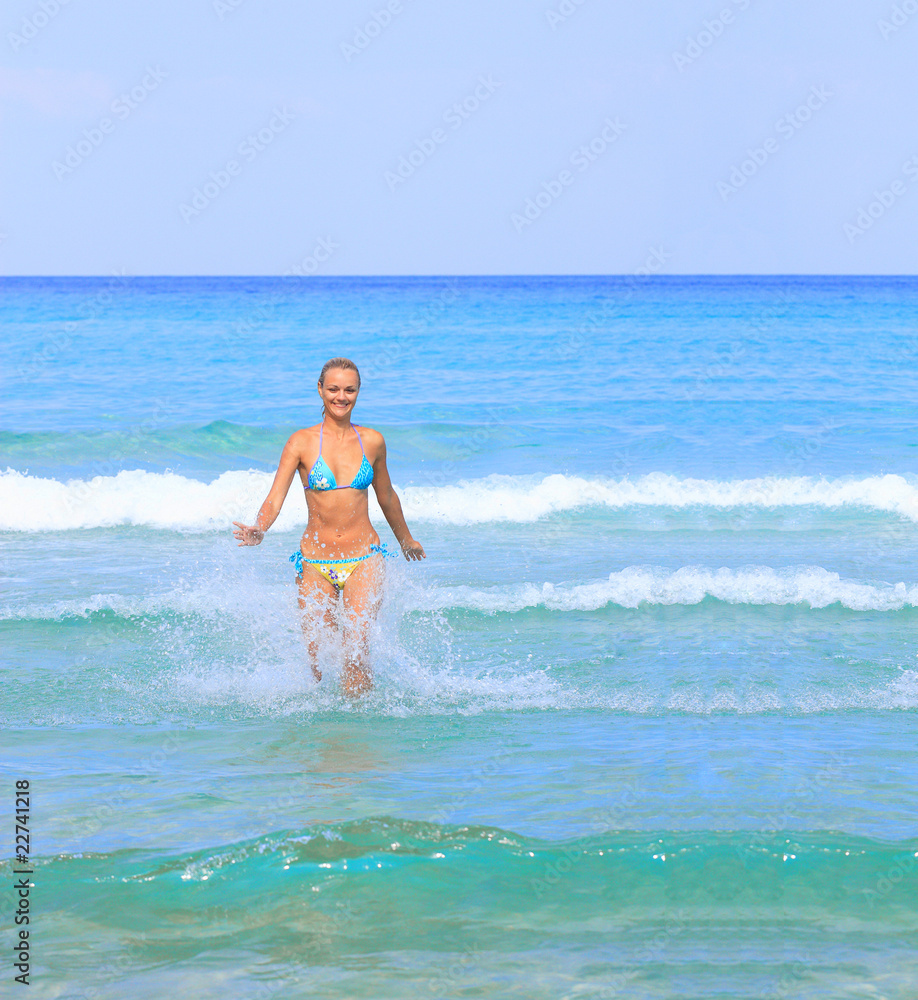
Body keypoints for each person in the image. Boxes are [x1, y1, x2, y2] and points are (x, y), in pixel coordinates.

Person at [232, 357, 425, 696]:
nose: (341, 396)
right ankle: (327, 732)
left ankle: (358, 728)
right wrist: (259, 528)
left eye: (349, 390)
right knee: (318, 660)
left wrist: (406, 539)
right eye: (333, 388)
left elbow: (387, 496)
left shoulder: (373, 441)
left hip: (364, 557)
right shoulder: (301, 442)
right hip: (316, 562)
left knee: (356, 648)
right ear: (320, 389)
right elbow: (275, 497)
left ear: (358, 392)